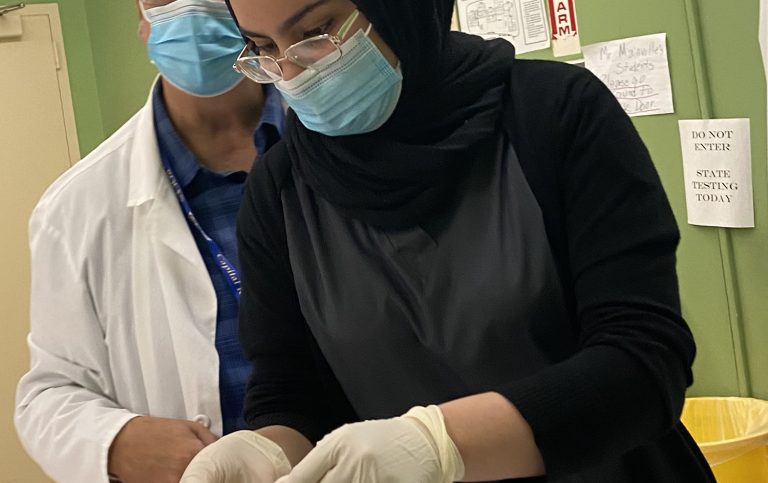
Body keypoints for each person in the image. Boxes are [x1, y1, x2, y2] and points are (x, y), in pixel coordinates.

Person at [181, 0, 716, 481]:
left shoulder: (554, 114)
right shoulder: (280, 189)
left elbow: (644, 363)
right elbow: (290, 391)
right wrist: (268, 451)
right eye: (263, 48)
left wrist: (443, 445)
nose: (293, 73)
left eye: (316, 31)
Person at [13, 0, 284, 482]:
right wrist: (114, 441)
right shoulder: (76, 207)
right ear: (141, 17)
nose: (192, 5)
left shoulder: (344, 142)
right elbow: (48, 393)